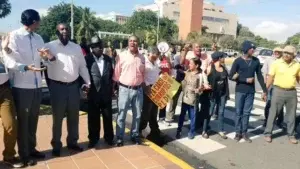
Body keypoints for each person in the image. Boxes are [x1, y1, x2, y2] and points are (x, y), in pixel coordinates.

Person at [4, 9, 49, 167]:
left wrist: (44, 57)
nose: (40, 22)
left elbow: (43, 57)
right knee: (23, 122)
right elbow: (9, 60)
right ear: (32, 22)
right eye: (38, 20)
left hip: (37, 85)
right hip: (22, 86)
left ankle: (31, 148)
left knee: (33, 120)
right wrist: (25, 67)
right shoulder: (14, 36)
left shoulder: (38, 38)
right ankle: (24, 154)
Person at [45, 23, 91, 156]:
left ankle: (72, 142)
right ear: (57, 31)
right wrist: (49, 59)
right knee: (57, 118)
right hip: (57, 87)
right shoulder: (49, 46)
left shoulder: (76, 47)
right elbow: (43, 63)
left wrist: (87, 82)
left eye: (67, 29)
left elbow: (82, 66)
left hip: (73, 87)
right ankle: (56, 145)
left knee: (73, 117)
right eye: (62, 29)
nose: (65, 31)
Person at [229, 40, 267, 143]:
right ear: (246, 49)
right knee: (238, 112)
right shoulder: (238, 61)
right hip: (240, 90)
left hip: (250, 91)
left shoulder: (255, 61)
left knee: (246, 113)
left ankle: (244, 133)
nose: (253, 50)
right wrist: (244, 80)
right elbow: (231, 76)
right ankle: (238, 133)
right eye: (251, 49)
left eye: (254, 48)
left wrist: (264, 90)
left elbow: (259, 76)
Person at [264, 46, 299, 144]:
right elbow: (270, 77)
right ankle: (268, 133)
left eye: (289, 53)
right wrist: (265, 90)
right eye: (285, 53)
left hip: (292, 92)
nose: (286, 55)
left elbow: (298, 78)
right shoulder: (276, 63)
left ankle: (291, 135)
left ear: (293, 55)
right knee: (273, 113)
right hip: (278, 91)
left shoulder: (297, 65)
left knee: (291, 114)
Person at [113, 35, 145, 146]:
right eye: (130, 41)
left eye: (135, 41)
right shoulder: (121, 56)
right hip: (124, 90)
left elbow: (143, 74)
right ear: (128, 43)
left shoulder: (142, 57)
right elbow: (116, 74)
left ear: (138, 43)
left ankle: (135, 135)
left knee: (137, 115)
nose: (133, 43)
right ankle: (119, 137)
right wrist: (116, 88)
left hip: (138, 90)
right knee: (121, 114)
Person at [84, 36, 114, 148]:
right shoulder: (87, 59)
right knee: (93, 118)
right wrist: (84, 86)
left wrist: (112, 88)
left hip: (106, 93)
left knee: (108, 117)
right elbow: (83, 75)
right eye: (97, 46)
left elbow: (111, 73)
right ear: (92, 48)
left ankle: (109, 138)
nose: (100, 48)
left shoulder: (108, 58)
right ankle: (93, 139)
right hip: (93, 93)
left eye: (101, 45)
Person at [202, 52, 229, 139]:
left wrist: (227, 94)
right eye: (222, 57)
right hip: (212, 95)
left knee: (221, 112)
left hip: (222, 94)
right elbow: (203, 77)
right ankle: (204, 130)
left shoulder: (224, 68)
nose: (224, 59)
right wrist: (205, 84)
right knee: (209, 112)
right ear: (218, 58)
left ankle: (220, 130)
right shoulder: (210, 68)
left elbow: (226, 82)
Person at [139, 46, 163, 144]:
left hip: (156, 88)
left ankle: (155, 131)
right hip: (147, 89)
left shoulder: (156, 62)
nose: (156, 58)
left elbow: (157, 73)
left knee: (154, 111)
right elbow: (141, 75)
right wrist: (146, 87)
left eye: (157, 56)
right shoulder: (144, 62)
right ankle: (139, 129)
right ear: (149, 53)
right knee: (146, 112)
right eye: (154, 56)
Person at [176, 58, 205, 139]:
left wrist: (197, 90)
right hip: (185, 97)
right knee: (182, 115)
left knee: (193, 116)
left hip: (193, 99)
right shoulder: (188, 72)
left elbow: (202, 88)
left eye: (191, 64)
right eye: (189, 63)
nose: (189, 65)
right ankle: (179, 130)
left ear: (197, 65)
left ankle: (192, 132)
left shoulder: (200, 75)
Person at [261, 47, 284, 128]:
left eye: (279, 52)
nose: (277, 53)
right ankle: (267, 120)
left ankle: (280, 121)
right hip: (270, 84)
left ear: (281, 53)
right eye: (275, 51)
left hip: (280, 85)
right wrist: (265, 85)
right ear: (273, 52)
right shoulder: (268, 60)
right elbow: (264, 72)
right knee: (269, 103)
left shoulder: (284, 61)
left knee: (280, 104)